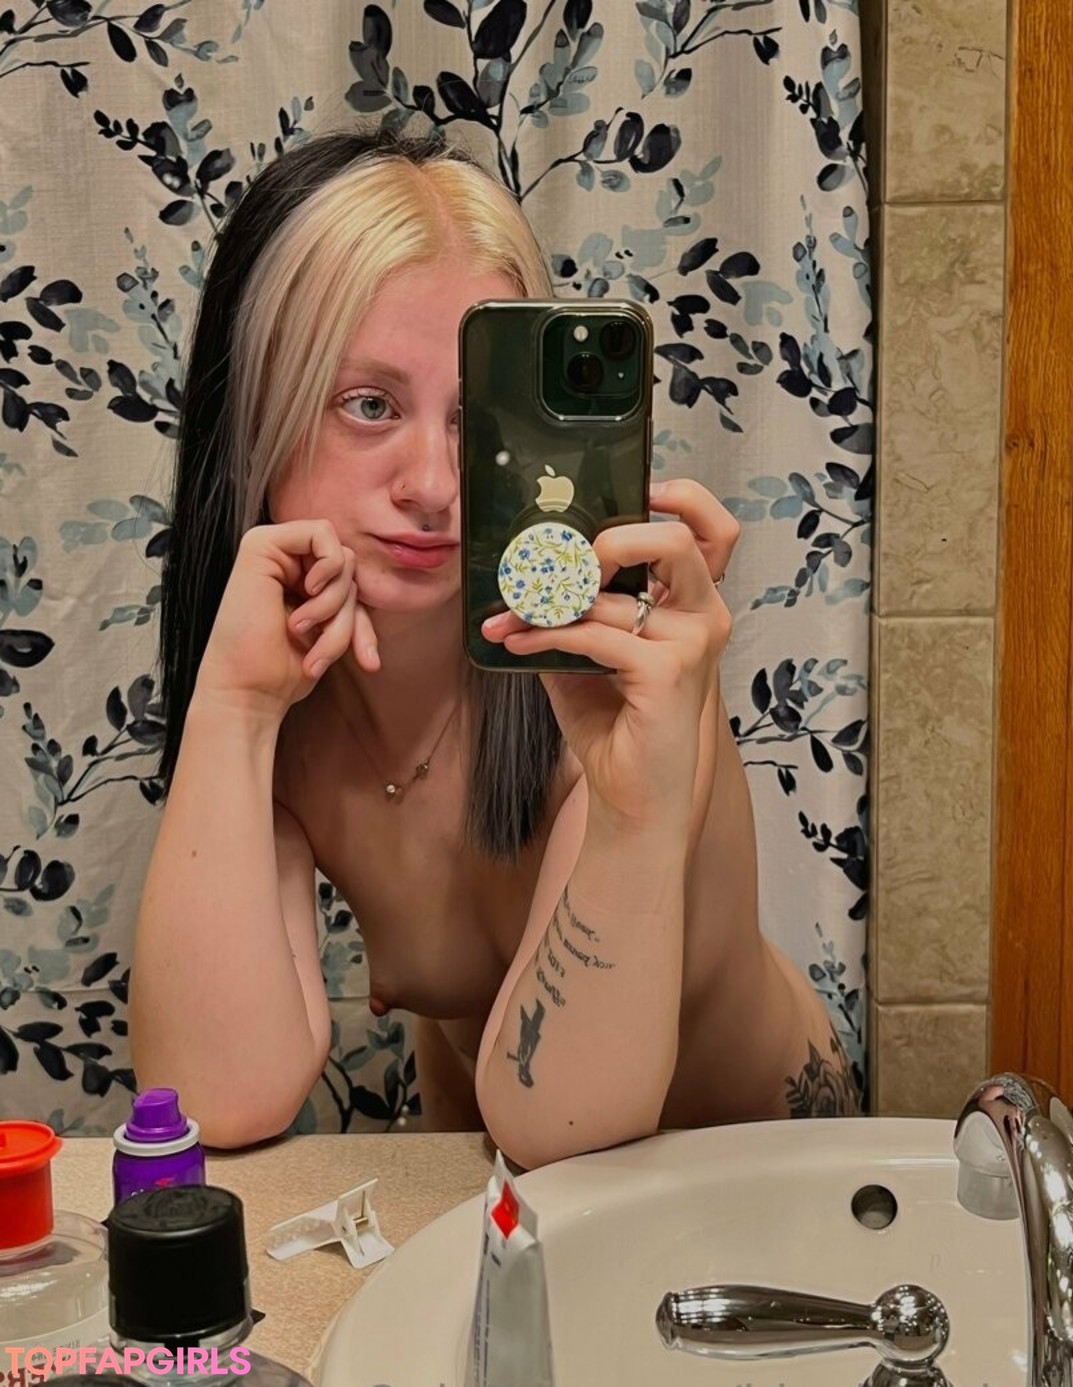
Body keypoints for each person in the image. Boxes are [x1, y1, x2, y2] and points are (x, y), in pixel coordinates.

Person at [129, 127, 858, 1169]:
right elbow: (219, 1094)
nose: (432, 484)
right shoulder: (287, 696)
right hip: (495, 1167)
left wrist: (636, 805)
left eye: (477, 418)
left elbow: (563, 1125)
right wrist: (234, 712)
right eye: (368, 405)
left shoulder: (613, 688)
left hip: (756, 1171)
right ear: (253, 423)